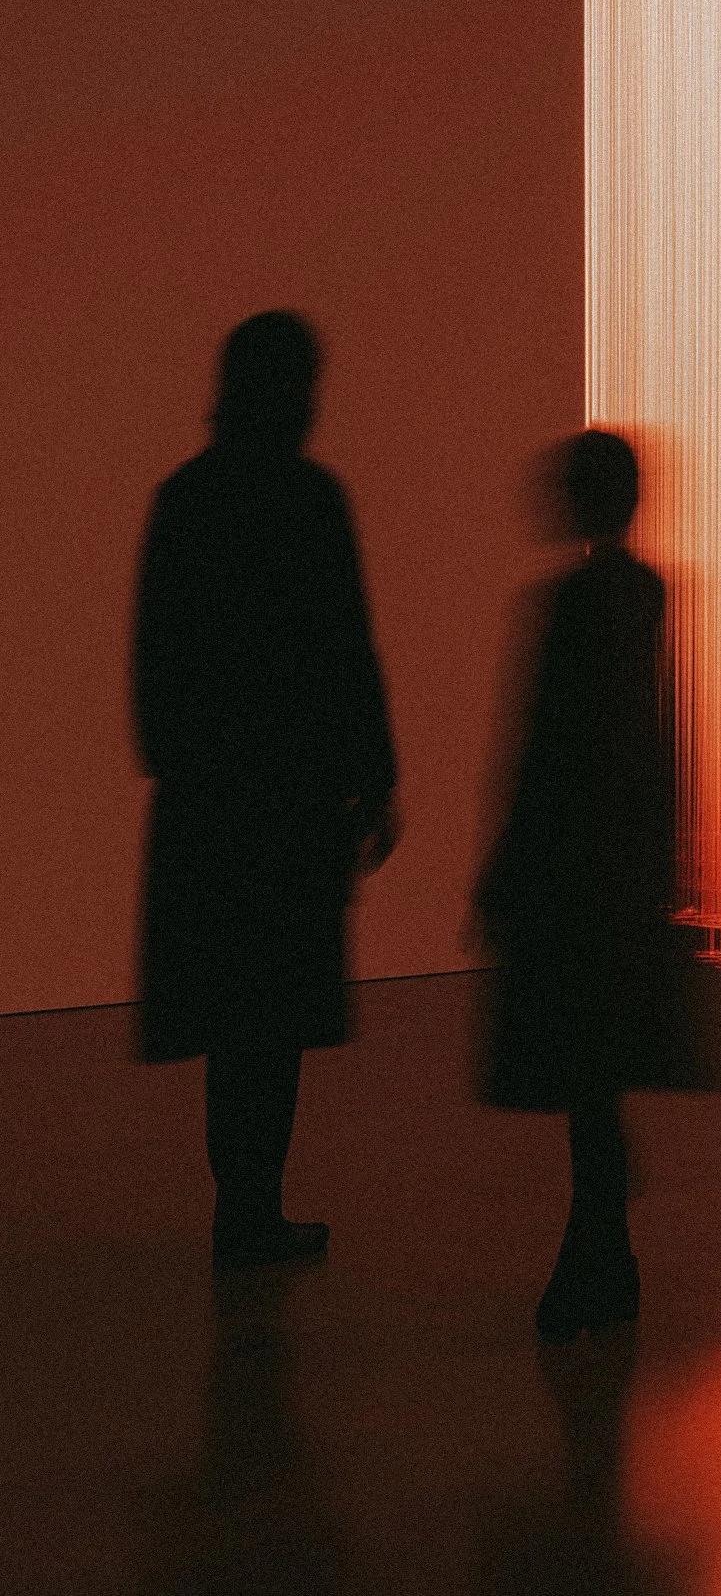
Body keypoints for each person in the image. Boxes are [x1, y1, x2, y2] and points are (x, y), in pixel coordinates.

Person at [134, 311, 400, 1269]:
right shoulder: (310, 499)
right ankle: (254, 1207)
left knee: (231, 1022)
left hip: (212, 808)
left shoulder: (187, 497)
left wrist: (179, 766)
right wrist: (372, 780)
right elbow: (347, 652)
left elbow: (156, 664)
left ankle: (241, 1207)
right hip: (289, 810)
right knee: (273, 1022)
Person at [476, 428, 700, 1342]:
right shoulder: (646, 595)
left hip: (573, 871)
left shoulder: (573, 602)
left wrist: (505, 867)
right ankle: (601, 1244)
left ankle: (597, 1249)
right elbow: (655, 738)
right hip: (618, 866)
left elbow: (544, 748)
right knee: (597, 1064)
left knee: (584, 1064)